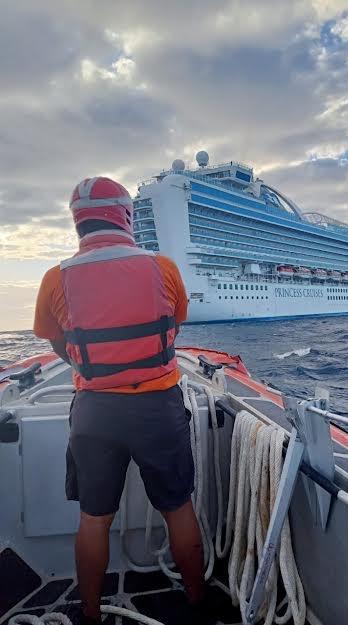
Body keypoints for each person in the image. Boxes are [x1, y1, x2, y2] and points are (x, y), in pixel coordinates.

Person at [33, 177, 207, 624]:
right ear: (124, 215)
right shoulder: (163, 267)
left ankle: (90, 615)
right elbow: (172, 330)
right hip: (157, 407)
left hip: (94, 411)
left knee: (94, 518)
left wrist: (95, 366)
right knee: (178, 507)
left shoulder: (56, 277)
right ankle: (198, 603)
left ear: (78, 221)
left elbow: (58, 343)